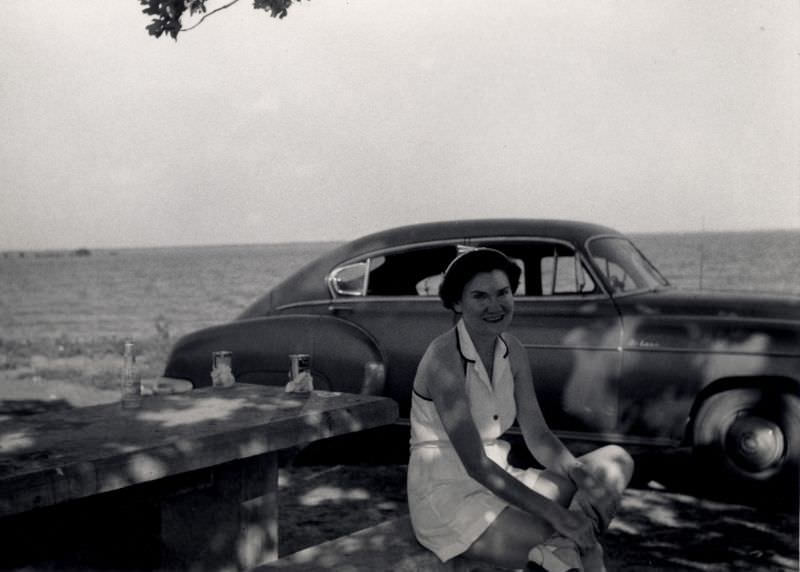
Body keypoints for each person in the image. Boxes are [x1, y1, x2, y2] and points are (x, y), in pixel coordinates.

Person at [406, 248, 634, 572]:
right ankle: (570, 553)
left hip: (504, 478)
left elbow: (539, 436)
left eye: (503, 293)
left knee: (615, 461)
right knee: (566, 542)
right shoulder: (443, 358)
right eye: (480, 296)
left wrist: (580, 474)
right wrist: (560, 516)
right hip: (449, 495)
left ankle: (564, 550)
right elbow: (476, 466)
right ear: (457, 303)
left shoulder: (513, 349)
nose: (496, 305)